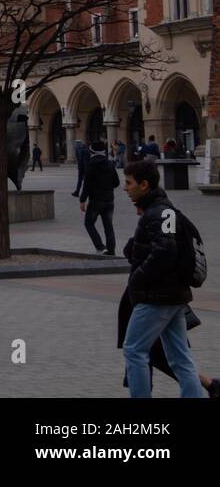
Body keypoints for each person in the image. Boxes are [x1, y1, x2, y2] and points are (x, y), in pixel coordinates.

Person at [119, 160, 208, 397]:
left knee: (134, 350)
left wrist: (138, 279)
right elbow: (160, 247)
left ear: (144, 185)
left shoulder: (157, 212)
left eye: (129, 183)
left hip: (156, 297)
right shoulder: (161, 209)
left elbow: (165, 251)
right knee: (179, 356)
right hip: (174, 295)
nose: (125, 188)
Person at [79, 140, 118, 255]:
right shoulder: (110, 164)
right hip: (109, 200)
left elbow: (86, 184)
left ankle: (100, 247)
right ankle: (111, 250)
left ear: (92, 152)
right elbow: (116, 183)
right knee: (108, 225)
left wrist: (82, 200)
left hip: (96, 201)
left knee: (89, 223)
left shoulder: (91, 165)